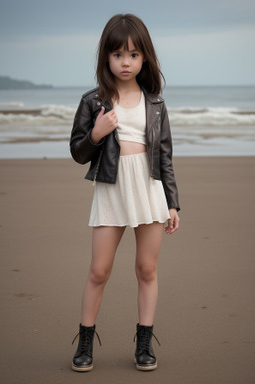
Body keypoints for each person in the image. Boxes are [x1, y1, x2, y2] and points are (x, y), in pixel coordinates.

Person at [70, 13, 180, 372]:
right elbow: (78, 152)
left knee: (147, 269)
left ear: (144, 57)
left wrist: (173, 203)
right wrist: (97, 133)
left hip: (149, 190)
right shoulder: (93, 101)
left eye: (133, 54)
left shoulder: (156, 103)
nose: (126, 62)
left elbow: (164, 156)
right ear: (106, 58)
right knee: (99, 271)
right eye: (118, 54)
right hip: (112, 189)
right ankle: (85, 342)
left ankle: (144, 344)